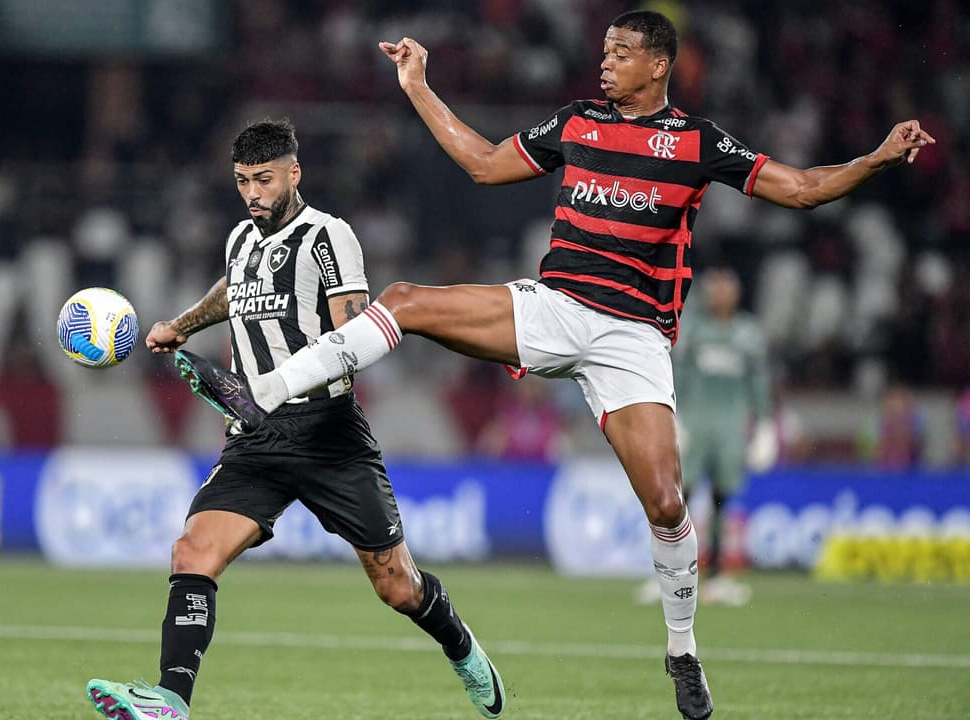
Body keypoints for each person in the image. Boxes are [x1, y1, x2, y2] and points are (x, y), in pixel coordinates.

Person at [171, 11, 935, 720]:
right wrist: (419, 87)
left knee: (667, 504)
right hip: (554, 306)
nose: (604, 62)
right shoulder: (577, 123)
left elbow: (799, 191)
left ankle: (683, 651)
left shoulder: (698, 143)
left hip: (632, 336)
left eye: (621, 53)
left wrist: (875, 158)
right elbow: (480, 163)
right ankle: (264, 390)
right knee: (404, 298)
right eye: (603, 50)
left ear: (660, 65)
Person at [86, 121, 505, 720]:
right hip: (255, 440)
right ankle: (171, 699)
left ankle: (461, 645)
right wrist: (182, 325)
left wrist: (273, 388)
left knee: (398, 587)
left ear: (293, 173)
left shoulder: (328, 238)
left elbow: (355, 338)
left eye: (263, 179)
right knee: (193, 551)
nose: (252, 193)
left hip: (328, 435)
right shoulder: (240, 239)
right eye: (241, 182)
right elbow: (234, 291)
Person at [642, 267, 774, 608]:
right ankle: (668, 575)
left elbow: (758, 380)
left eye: (727, 288)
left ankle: (715, 575)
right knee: (676, 498)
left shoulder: (748, 332)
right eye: (716, 289)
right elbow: (676, 374)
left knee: (722, 498)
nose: (721, 295)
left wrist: (764, 425)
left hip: (730, 426)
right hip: (696, 422)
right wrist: (674, 418)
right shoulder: (695, 330)